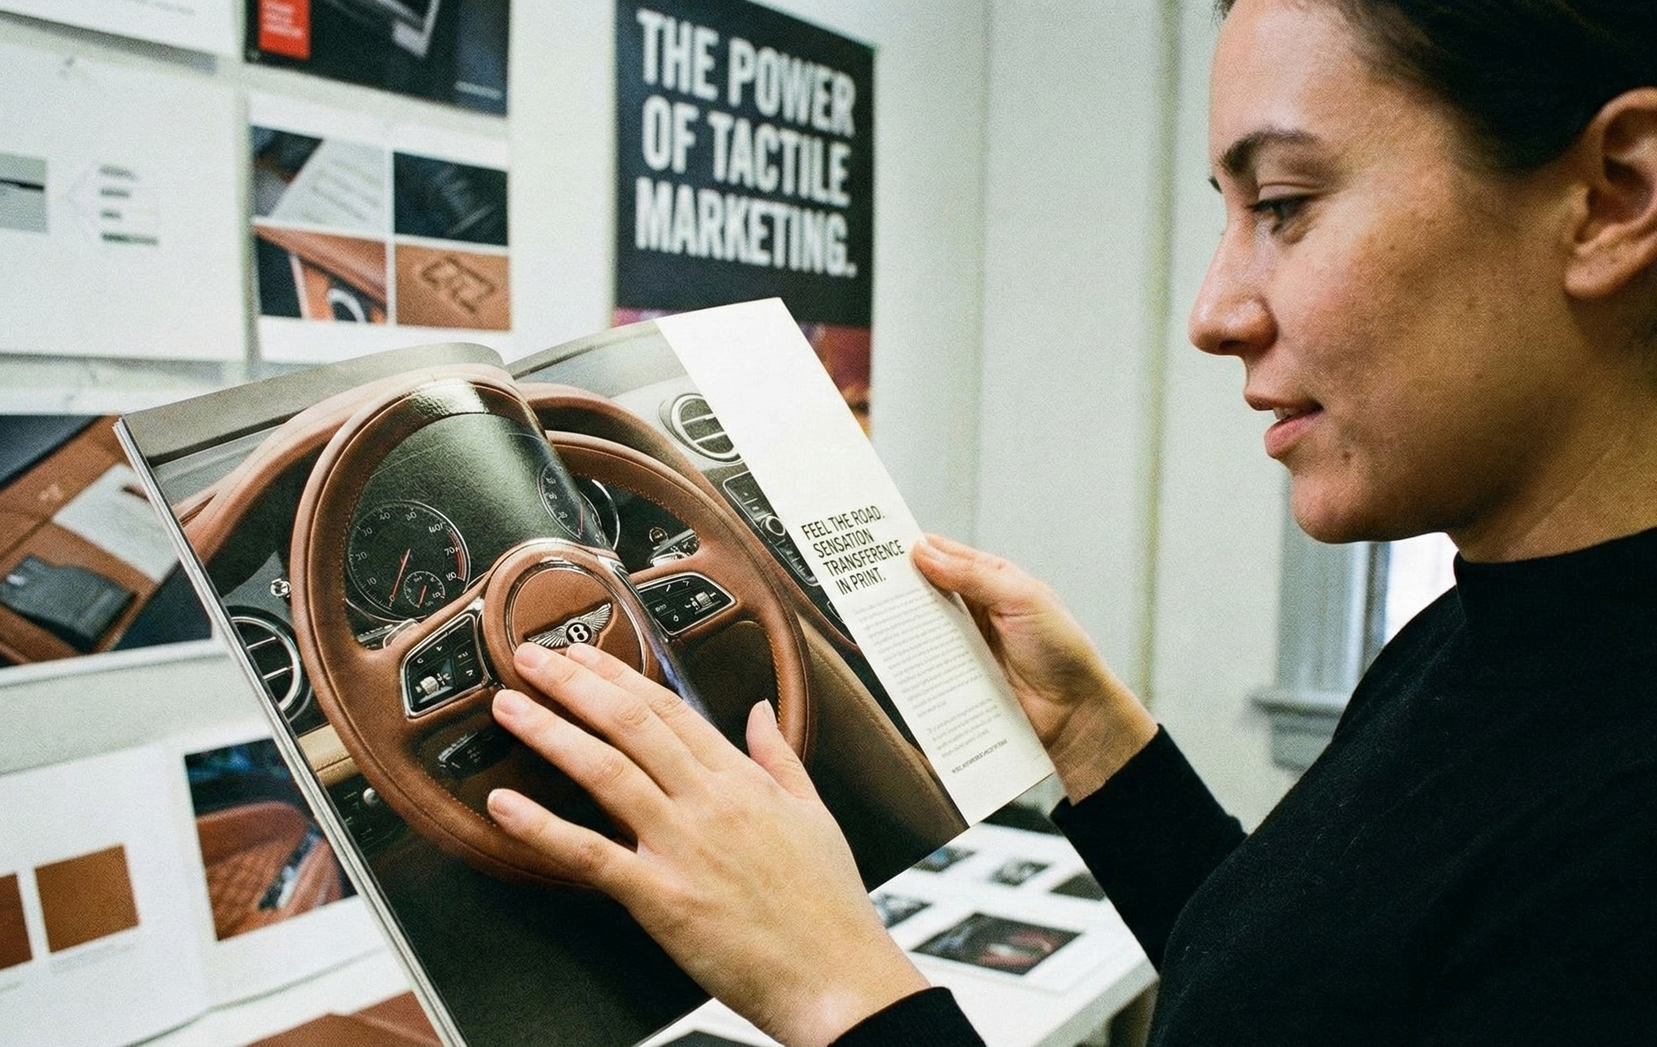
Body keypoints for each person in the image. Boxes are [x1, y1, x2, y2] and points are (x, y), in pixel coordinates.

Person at [483, 0, 1657, 1042]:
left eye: (1285, 205)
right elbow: (1317, 987)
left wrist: (840, 991)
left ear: (1611, 199)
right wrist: (1101, 746)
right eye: (1230, 212)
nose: (1212, 312)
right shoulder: (1493, 624)